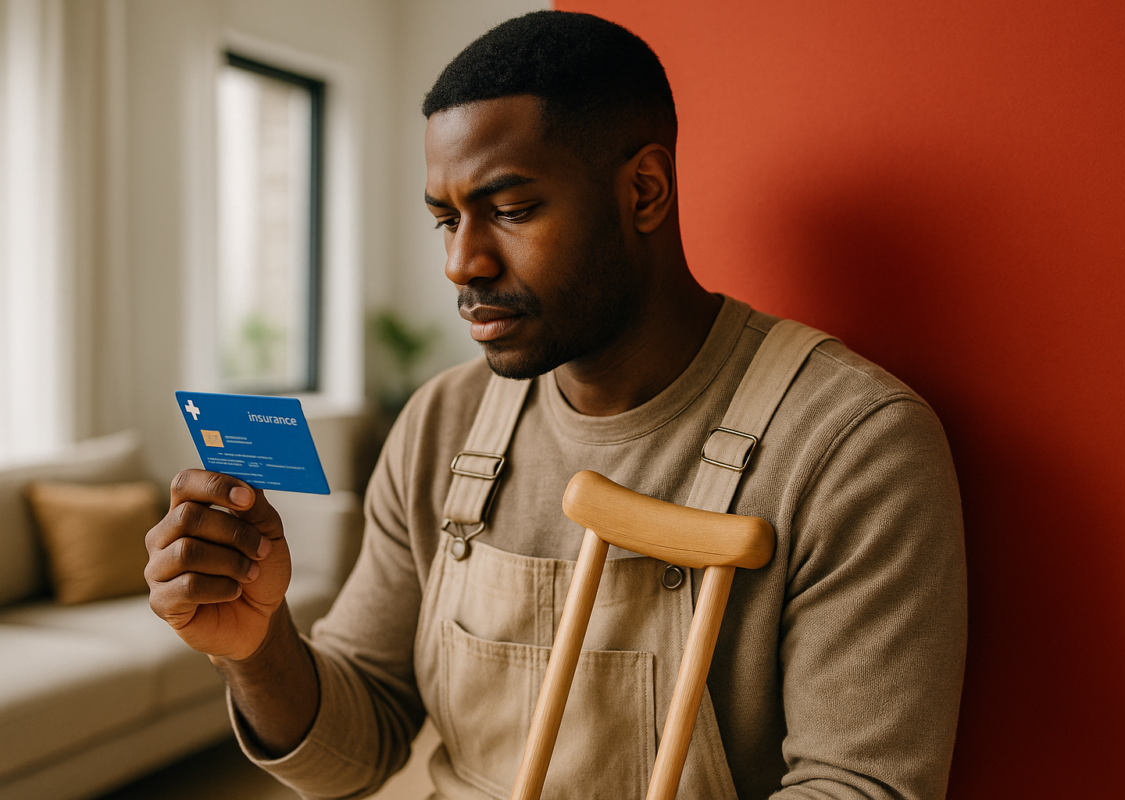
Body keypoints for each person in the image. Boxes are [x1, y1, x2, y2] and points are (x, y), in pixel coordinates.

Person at [145, 10, 967, 800]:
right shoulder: (440, 426)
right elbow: (355, 756)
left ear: (644, 192)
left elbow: (859, 787)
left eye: (510, 210)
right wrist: (255, 646)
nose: (461, 264)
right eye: (444, 220)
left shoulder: (851, 444)